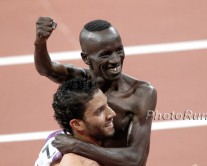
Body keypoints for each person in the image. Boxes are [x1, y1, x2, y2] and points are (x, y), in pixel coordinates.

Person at [35, 17, 157, 166]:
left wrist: (76, 145)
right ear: (86, 58)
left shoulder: (141, 94)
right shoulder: (83, 81)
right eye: (105, 54)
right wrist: (40, 41)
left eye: (119, 50)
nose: (115, 60)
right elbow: (46, 69)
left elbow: (137, 159)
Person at [35, 77, 116, 166]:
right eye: (100, 111)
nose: (112, 113)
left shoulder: (56, 137)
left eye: (107, 105)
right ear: (77, 124)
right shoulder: (79, 162)